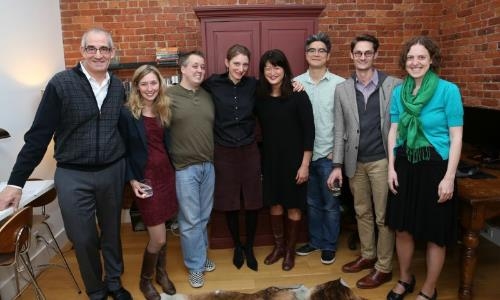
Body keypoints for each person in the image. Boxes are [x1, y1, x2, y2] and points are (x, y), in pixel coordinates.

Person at [0, 28, 132, 300]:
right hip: (73, 175)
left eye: (104, 49)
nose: (98, 54)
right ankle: (96, 291)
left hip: (112, 171)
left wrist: (133, 172)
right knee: (83, 239)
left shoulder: (118, 87)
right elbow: (38, 137)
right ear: (82, 51)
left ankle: (115, 284)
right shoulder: (61, 84)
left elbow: (124, 131)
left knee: (111, 234)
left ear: (112, 53)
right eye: (92, 48)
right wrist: (15, 182)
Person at [385, 36, 463, 300]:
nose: (415, 62)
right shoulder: (399, 93)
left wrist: (449, 177)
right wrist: (391, 168)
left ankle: (429, 289)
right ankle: (405, 278)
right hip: (405, 165)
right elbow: (394, 132)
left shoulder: (448, 91)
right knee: (402, 227)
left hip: (435, 168)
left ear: (432, 60)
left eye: (421, 57)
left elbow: (456, 137)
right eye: (410, 57)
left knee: (434, 233)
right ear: (404, 61)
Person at [327, 34, 401, 289]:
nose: (362, 57)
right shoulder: (342, 90)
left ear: (376, 55)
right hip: (354, 162)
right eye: (358, 53)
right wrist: (337, 165)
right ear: (351, 55)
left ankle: (384, 267)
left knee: (383, 217)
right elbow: (339, 129)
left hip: (382, 161)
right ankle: (368, 255)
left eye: (367, 53)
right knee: (362, 212)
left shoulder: (394, 86)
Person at [202, 44, 263, 271]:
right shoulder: (212, 83)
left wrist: (295, 85)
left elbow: (278, 88)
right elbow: (190, 89)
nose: (241, 68)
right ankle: (237, 245)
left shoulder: (254, 85)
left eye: (245, 64)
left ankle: (249, 248)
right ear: (227, 63)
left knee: (253, 201)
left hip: (249, 149)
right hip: (224, 150)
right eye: (236, 63)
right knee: (230, 202)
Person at [119, 65, 177, 300]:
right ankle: (145, 280)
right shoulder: (127, 113)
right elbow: (122, 150)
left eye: (154, 83)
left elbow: (166, 144)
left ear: (159, 85)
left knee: (164, 227)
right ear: (136, 86)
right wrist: (132, 180)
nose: (150, 88)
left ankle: (161, 274)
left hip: (166, 175)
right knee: (158, 237)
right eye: (144, 84)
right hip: (145, 179)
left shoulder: (164, 109)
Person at [255, 49, 315, 271]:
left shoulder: (298, 94)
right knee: (275, 204)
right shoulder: (259, 97)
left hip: (295, 162)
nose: (272, 72)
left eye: (277, 67)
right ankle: (279, 247)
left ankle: (290, 251)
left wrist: (305, 164)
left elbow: (309, 132)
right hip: (270, 161)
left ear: (284, 69)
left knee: (293, 206)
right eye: (267, 68)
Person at [165, 51, 216, 288]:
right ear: (182, 69)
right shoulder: (168, 96)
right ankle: (195, 266)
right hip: (184, 168)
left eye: (202, 67)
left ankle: (202, 258)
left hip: (208, 166)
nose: (199, 70)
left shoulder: (207, 95)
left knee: (203, 218)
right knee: (190, 220)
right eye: (194, 66)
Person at [294, 32, 345, 265]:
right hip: (304, 156)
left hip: (328, 156)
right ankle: (315, 241)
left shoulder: (340, 85)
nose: (316, 54)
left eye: (321, 50)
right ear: (306, 55)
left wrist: (339, 150)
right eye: (312, 50)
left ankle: (329, 245)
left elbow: (348, 120)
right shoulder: (295, 83)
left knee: (331, 204)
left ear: (328, 55)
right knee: (312, 203)